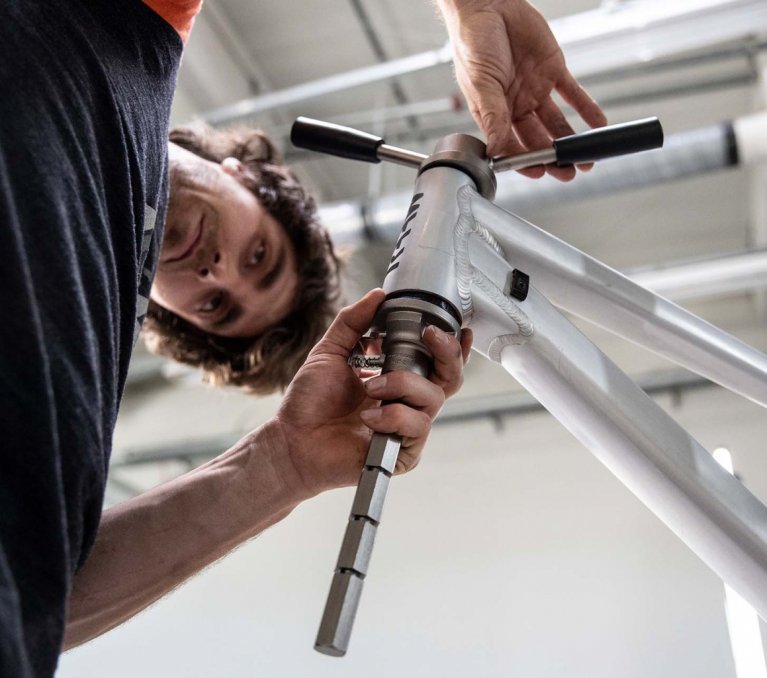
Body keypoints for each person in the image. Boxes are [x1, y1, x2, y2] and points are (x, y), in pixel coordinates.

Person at [0, 1, 605, 677]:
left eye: (218, 307)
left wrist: (286, 463)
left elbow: (44, 595)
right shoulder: (133, 32)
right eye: (257, 253)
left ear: (172, 317)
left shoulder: (79, 354)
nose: (219, 272)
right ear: (247, 177)